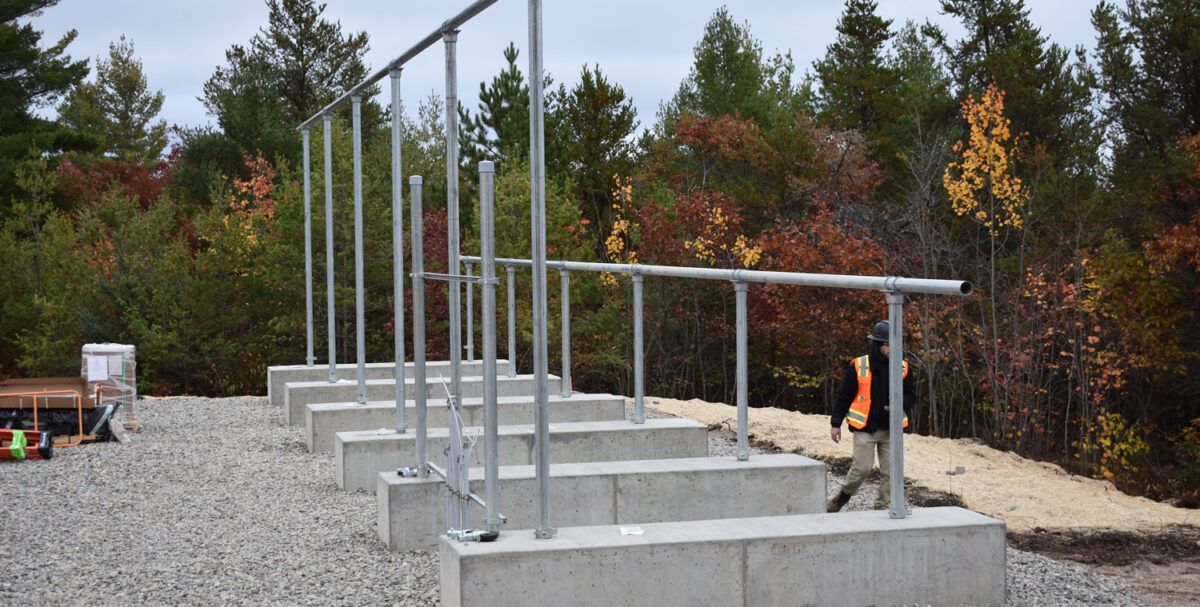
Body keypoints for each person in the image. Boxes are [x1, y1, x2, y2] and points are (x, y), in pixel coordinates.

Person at [826, 320, 916, 512]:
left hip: (892, 430)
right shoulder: (859, 366)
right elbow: (843, 396)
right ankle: (840, 499)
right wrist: (836, 423)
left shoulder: (903, 367)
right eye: (889, 344)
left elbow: (911, 396)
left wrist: (899, 405)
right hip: (864, 429)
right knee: (862, 468)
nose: (893, 348)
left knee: (892, 472)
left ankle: (883, 509)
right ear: (878, 344)